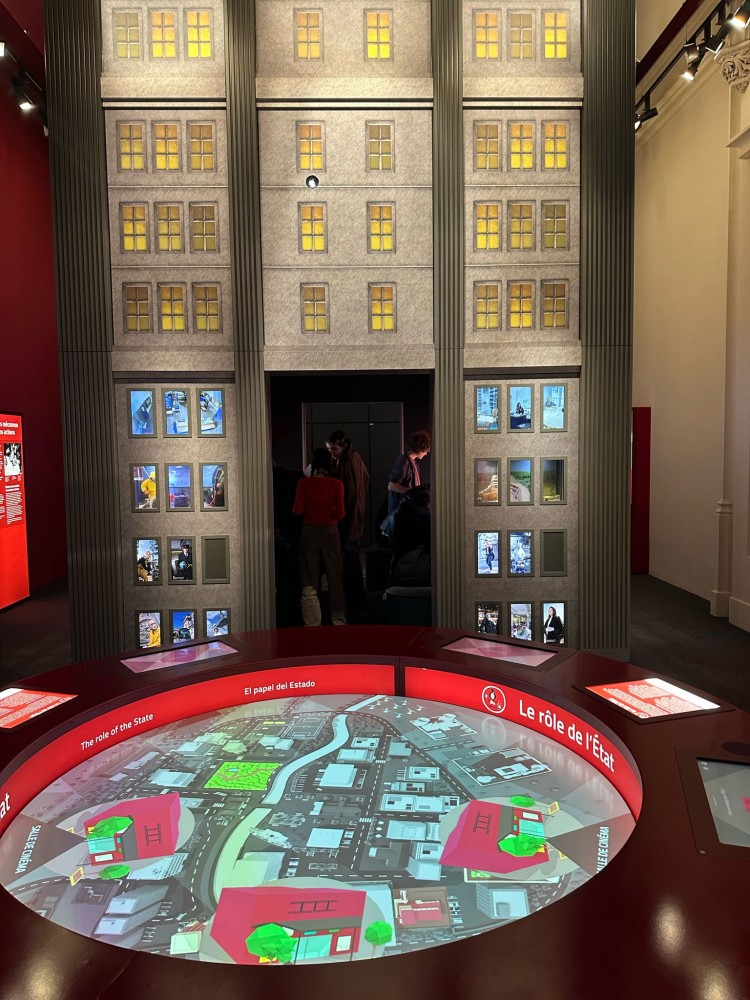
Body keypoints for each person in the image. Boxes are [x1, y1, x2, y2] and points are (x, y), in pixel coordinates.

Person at [292, 447, 347, 626]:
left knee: (309, 579)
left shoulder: (303, 484)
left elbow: (297, 510)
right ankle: (338, 620)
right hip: (331, 533)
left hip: (309, 533)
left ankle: (312, 624)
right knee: (335, 578)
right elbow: (341, 514)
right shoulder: (337, 485)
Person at [327, 429, 370, 616]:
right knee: (353, 561)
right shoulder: (356, 459)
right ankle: (358, 603)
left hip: (348, 520)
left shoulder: (348, 462)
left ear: (343, 446)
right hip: (355, 517)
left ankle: (353, 604)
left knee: (349, 563)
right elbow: (366, 480)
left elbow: (348, 495)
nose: (332, 453)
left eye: (334, 449)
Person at [386, 430, 431, 518]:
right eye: (425, 450)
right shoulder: (404, 460)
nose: (426, 453)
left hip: (409, 510)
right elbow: (391, 485)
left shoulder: (415, 463)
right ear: (419, 447)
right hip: (401, 512)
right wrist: (411, 491)